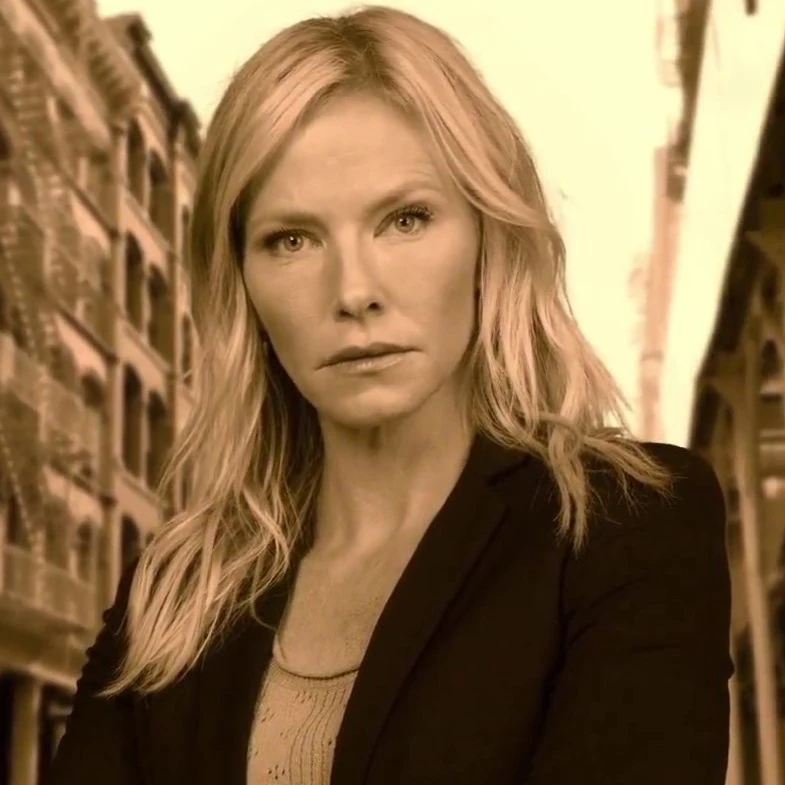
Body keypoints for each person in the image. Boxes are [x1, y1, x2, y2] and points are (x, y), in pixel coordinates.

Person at [49, 5, 733, 785]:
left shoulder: (627, 524)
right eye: (290, 239)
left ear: (488, 235)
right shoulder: (176, 587)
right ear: (241, 281)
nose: (353, 291)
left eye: (405, 219)